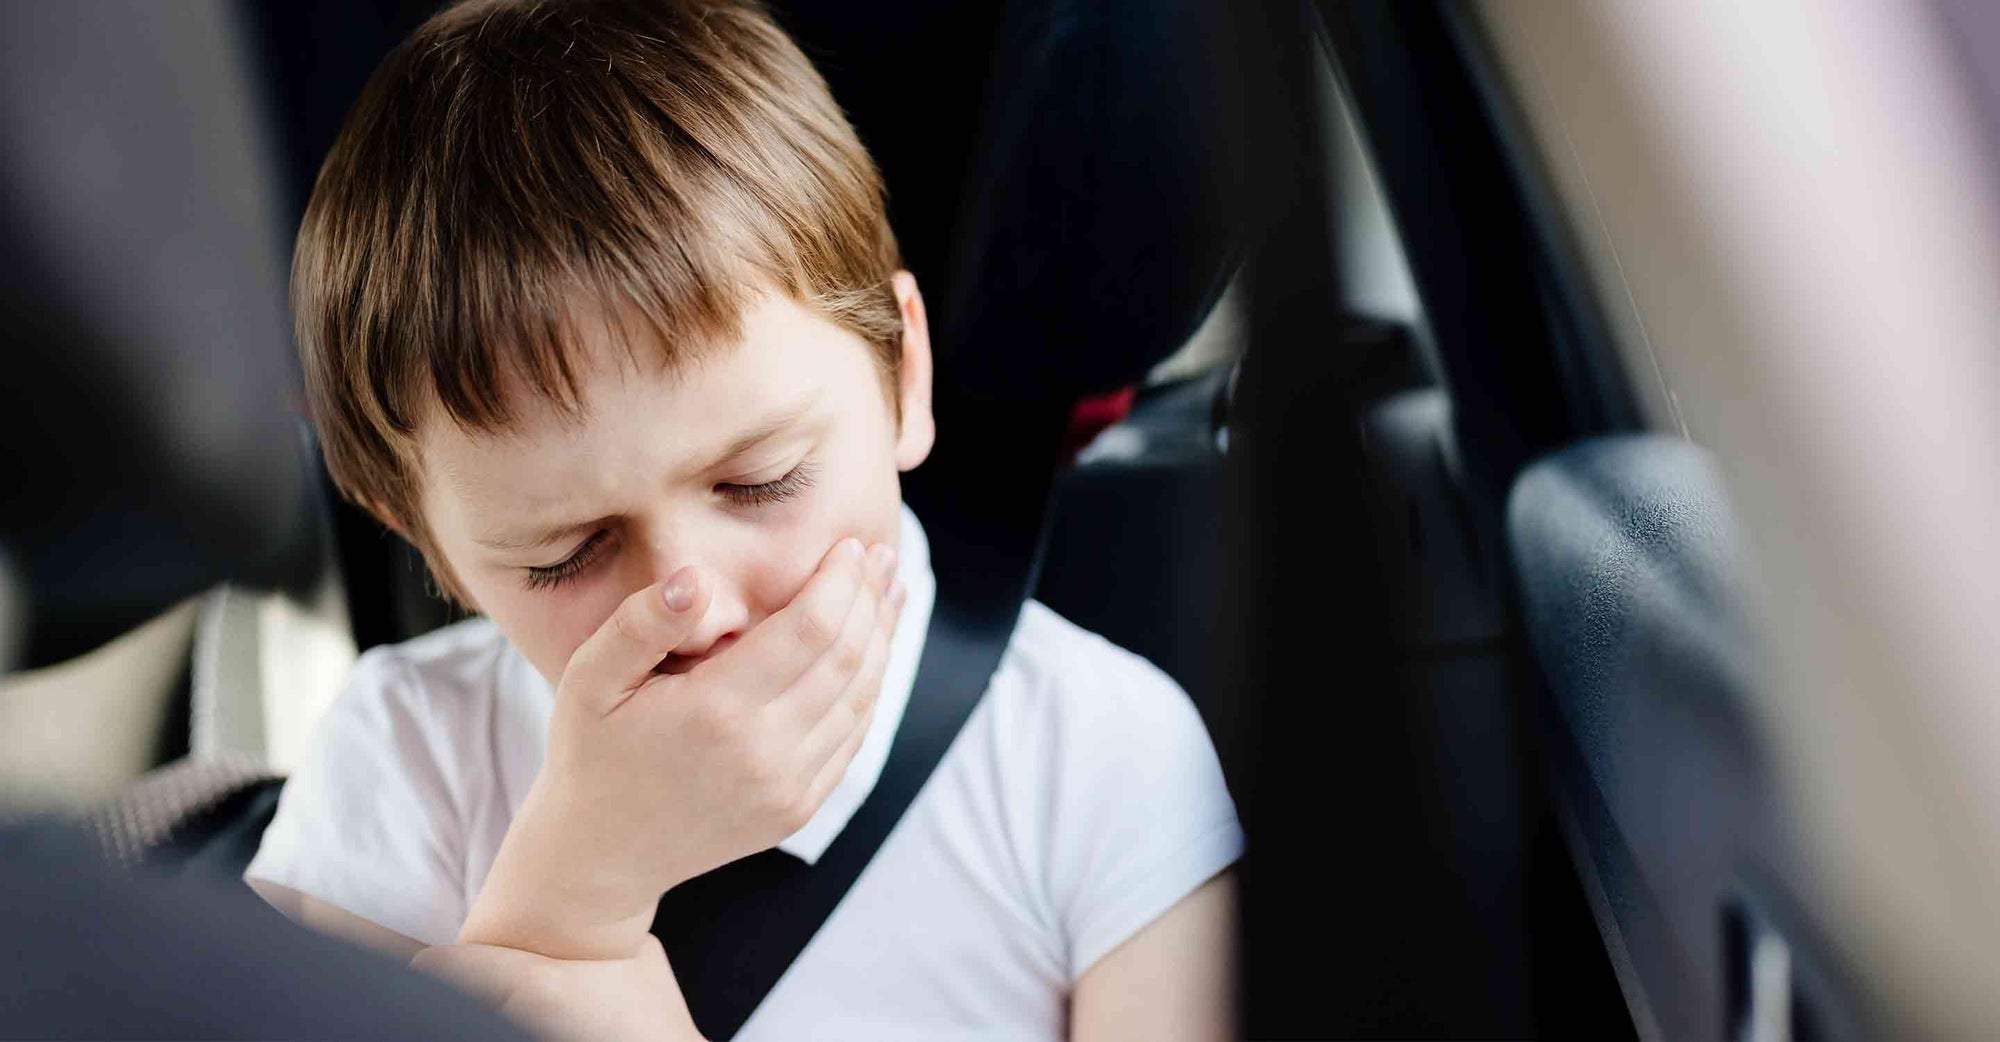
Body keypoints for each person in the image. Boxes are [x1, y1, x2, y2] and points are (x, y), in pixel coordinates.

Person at [242, 0, 1242, 1037]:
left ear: (902, 375)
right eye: (564, 554)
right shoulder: (405, 758)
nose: (695, 604)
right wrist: (569, 897)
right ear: (417, 536)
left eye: (761, 479)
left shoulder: (1099, 763)